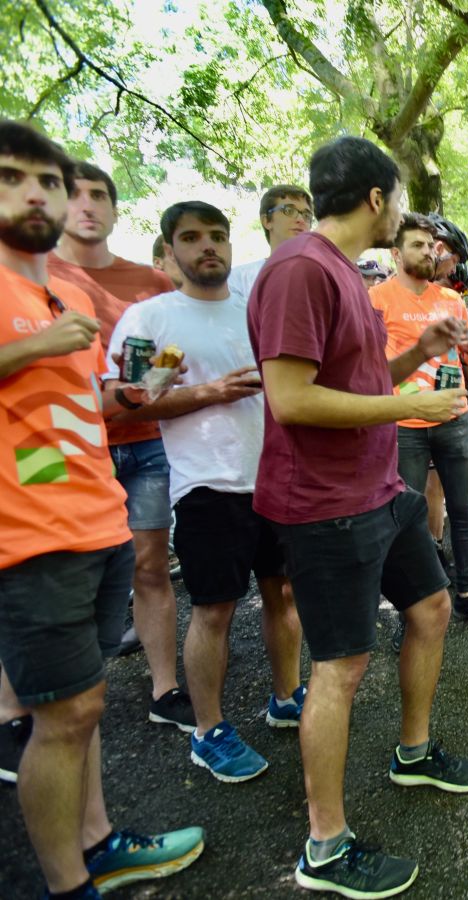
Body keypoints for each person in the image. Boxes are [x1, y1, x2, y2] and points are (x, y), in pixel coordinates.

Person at [249, 135, 468, 896]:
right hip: (323, 508)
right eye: (401, 199)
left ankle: (412, 754)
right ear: (377, 198)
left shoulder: (346, 273)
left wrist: (419, 352)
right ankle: (325, 846)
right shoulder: (298, 270)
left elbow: (363, 378)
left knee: (433, 606)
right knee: (341, 666)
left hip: (379, 493)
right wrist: (405, 406)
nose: (406, 219)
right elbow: (289, 399)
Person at [0, 118, 205, 898]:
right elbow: (34, 360)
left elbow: (72, 394)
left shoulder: (59, 291)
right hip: (27, 539)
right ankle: (66, 884)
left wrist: (130, 393)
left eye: (47, 180)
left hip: (96, 517)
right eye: (11, 176)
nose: (35, 193)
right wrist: (41, 342)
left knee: (82, 707)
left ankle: (99, 842)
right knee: (63, 711)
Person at [107, 201, 304, 782]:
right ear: (170, 251)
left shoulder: (254, 311)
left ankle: (286, 696)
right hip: (207, 486)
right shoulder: (157, 319)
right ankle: (208, 730)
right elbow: (136, 401)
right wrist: (210, 392)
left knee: (283, 594)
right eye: (191, 239)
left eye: (217, 236)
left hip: (273, 477)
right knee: (214, 609)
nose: (207, 247)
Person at [48, 161, 190, 731]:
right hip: (64, 452)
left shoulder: (149, 281)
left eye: (100, 194)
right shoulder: (31, 275)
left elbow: (173, 349)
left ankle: (165, 689)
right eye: (74, 194)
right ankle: (52, 704)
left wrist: (157, 381)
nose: (87, 205)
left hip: (147, 446)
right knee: (62, 573)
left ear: (113, 205)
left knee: (149, 565)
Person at [369, 211, 468, 631]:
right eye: (417, 246)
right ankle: (414, 611)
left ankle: (467, 594)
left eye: (431, 246)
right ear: (395, 253)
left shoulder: (452, 300)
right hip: (404, 423)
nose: (428, 252)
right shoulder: (377, 300)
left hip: (453, 418)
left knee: (462, 511)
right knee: (408, 518)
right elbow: (368, 366)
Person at [228, 184, 313, 298]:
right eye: (289, 210)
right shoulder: (239, 279)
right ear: (267, 221)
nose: (301, 219)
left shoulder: (326, 277)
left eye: (307, 215)